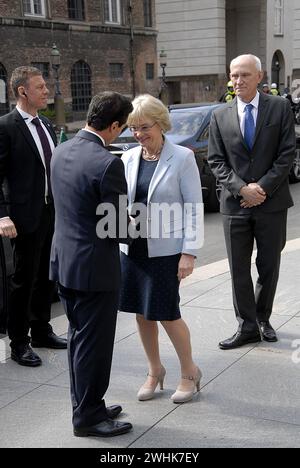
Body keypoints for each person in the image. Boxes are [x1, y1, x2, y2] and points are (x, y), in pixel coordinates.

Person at [50, 92, 133, 438]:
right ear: (113, 126)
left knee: (79, 341)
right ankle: (87, 418)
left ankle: (87, 405)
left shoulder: (62, 149)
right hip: (95, 271)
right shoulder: (108, 163)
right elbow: (118, 227)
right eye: (122, 127)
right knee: (94, 346)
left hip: (65, 262)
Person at [119, 94, 204, 404]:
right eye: (133, 128)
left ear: (161, 124)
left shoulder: (182, 157)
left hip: (167, 251)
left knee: (167, 313)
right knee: (142, 314)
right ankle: (154, 371)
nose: (139, 134)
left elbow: (194, 207)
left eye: (144, 127)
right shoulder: (128, 157)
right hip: (132, 248)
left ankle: (189, 371)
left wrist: (189, 253)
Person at [208, 54, 296, 350]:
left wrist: (262, 188)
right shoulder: (220, 115)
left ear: (259, 77)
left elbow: (287, 154)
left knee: (269, 265)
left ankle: (262, 318)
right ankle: (246, 325)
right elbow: (216, 161)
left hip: (271, 204)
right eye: (234, 75)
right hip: (234, 206)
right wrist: (241, 189)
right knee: (238, 269)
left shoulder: (281, 108)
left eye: (245, 74)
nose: (238, 80)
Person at [0, 66, 67, 367]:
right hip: (23, 217)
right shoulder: (6, 127)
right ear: (22, 91)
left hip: (51, 212)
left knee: (46, 276)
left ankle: (42, 330)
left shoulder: (47, 125)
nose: (46, 91)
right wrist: (3, 216)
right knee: (23, 281)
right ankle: (18, 342)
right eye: (40, 87)